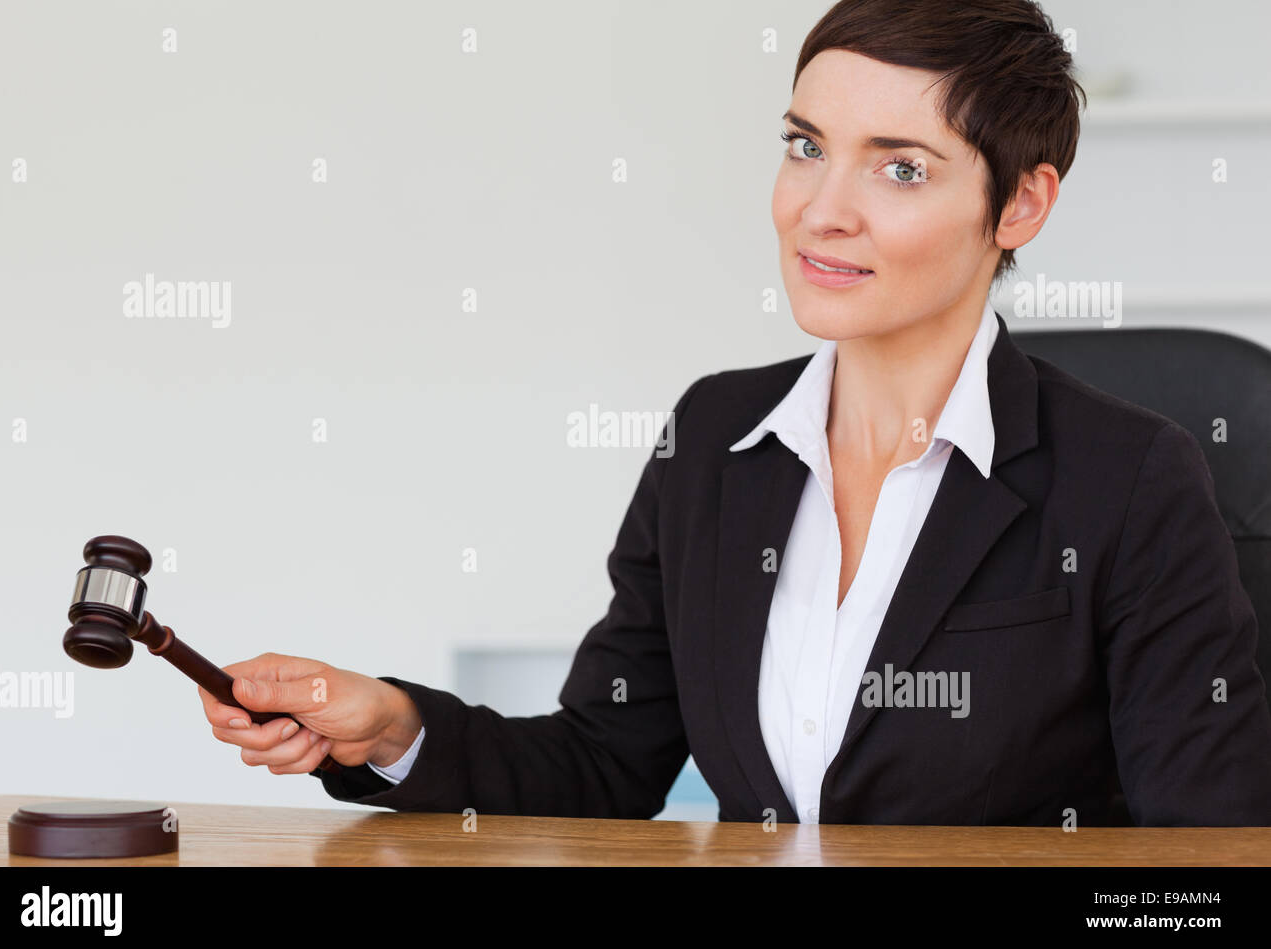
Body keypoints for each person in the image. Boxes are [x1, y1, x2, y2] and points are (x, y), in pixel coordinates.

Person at [199, 0, 1271, 825]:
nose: (820, 208)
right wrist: (395, 727)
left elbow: (1206, 860)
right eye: (806, 144)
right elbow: (604, 761)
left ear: (1021, 204)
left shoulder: (1129, 479)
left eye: (900, 168)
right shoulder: (715, 441)